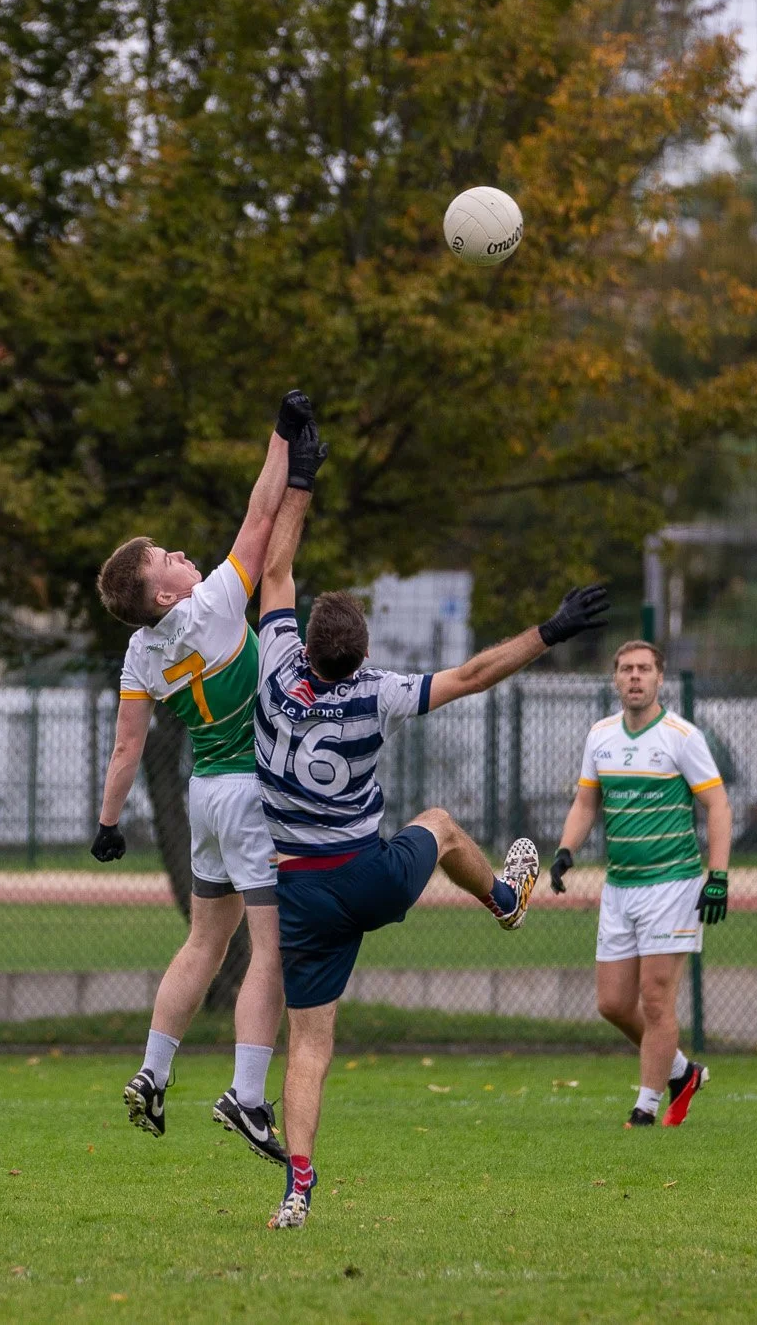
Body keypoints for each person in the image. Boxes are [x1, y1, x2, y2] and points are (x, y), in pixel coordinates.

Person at [253, 434, 607, 1228]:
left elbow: (275, 570)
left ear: (305, 643)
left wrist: (300, 480)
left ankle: (297, 1184)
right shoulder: (378, 691)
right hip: (367, 875)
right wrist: (550, 632)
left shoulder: (273, 672)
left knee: (307, 1046)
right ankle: (506, 899)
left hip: (300, 890)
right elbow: (476, 673)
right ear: (365, 650)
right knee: (441, 824)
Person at [90, 392, 310, 1164]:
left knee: (203, 942)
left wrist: (109, 823)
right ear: (165, 593)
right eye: (171, 560)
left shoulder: (141, 654)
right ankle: (249, 1096)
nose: (187, 556)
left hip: (205, 797)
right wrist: (281, 437)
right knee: (271, 951)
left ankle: (154, 1071)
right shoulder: (214, 603)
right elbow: (259, 517)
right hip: (250, 792)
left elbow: (125, 749)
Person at [549, 639, 731, 1128]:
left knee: (655, 998)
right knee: (612, 1003)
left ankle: (646, 1107)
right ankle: (681, 1071)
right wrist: (566, 850)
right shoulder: (600, 736)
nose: (634, 677)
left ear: (659, 679)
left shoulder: (681, 736)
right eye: (626, 669)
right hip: (620, 886)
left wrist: (718, 876)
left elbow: (717, 805)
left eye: (644, 669)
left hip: (672, 885)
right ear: (615, 678)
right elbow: (587, 803)